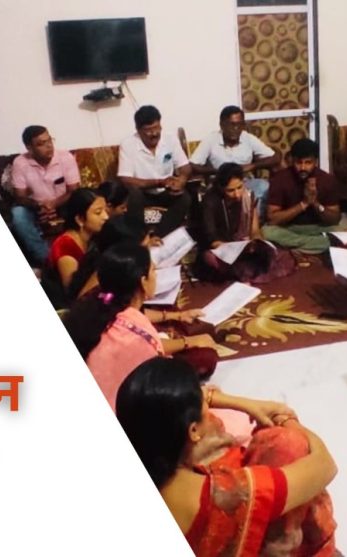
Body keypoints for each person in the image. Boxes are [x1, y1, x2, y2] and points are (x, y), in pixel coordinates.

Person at [116, 357, 338, 556]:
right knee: (289, 445)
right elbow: (325, 465)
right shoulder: (231, 496)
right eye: (205, 405)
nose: (210, 404)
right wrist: (288, 421)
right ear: (194, 431)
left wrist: (247, 404)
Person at [63, 243, 217, 407]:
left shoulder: (101, 299)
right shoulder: (134, 332)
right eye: (153, 271)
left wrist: (177, 316)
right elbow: (156, 380)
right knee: (205, 357)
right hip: (122, 406)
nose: (156, 276)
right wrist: (189, 343)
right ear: (143, 282)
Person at [198, 163, 295, 283]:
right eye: (230, 190)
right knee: (210, 258)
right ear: (220, 188)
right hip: (222, 250)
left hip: (243, 245)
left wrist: (256, 242)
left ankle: (245, 270)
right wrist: (234, 250)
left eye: (239, 187)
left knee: (276, 254)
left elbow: (255, 230)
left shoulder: (247, 196)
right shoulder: (210, 202)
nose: (237, 194)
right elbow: (212, 240)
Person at [190, 105, 280, 218]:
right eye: (232, 125)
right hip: (220, 185)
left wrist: (253, 165)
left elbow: (275, 158)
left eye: (240, 124)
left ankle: (252, 222)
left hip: (244, 182)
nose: (236, 129)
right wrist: (219, 171)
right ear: (222, 125)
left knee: (263, 187)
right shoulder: (211, 140)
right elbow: (193, 165)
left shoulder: (248, 138)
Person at [10, 125, 82, 267]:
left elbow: (73, 190)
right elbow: (20, 197)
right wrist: (39, 206)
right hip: (36, 208)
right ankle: (48, 261)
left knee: (82, 200)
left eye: (49, 140)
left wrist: (53, 204)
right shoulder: (20, 162)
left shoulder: (65, 157)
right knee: (18, 214)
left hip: (64, 204)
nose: (49, 146)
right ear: (29, 148)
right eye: (41, 143)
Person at [117, 105, 193, 238]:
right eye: (148, 130)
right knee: (134, 195)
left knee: (185, 198)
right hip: (143, 194)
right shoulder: (128, 144)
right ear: (138, 130)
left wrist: (181, 180)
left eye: (157, 128)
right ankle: (140, 239)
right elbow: (125, 179)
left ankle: (159, 237)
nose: (154, 133)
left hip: (166, 191)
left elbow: (185, 167)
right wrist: (158, 182)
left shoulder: (170, 139)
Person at [262, 139, 341, 254]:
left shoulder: (327, 180)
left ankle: (295, 247)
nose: (303, 167)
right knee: (266, 232)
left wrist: (315, 203)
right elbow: (272, 219)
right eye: (299, 162)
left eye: (308, 163)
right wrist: (304, 204)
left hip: (318, 228)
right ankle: (318, 245)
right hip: (289, 229)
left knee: (342, 231)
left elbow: (335, 219)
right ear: (292, 161)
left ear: (316, 162)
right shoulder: (280, 179)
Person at [48, 189, 108, 290]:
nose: (106, 216)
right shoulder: (65, 247)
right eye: (98, 212)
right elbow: (72, 291)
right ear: (80, 219)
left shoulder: (94, 237)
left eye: (105, 210)